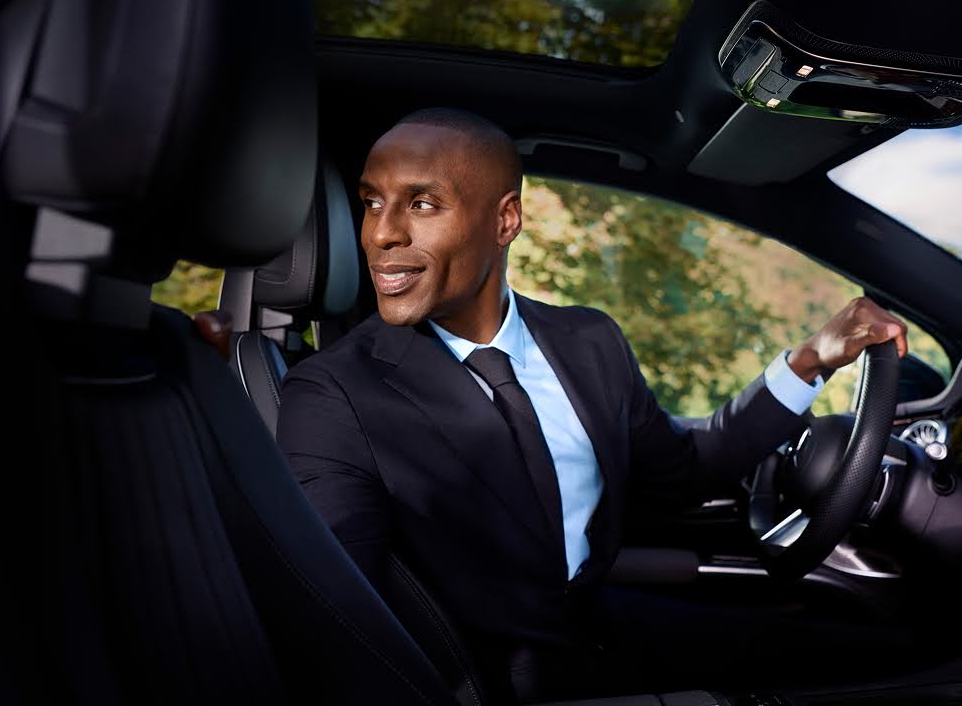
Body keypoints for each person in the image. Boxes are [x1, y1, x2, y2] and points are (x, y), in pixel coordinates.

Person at [277, 107, 908, 702]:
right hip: (489, 679)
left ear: (505, 221)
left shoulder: (589, 340)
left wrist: (810, 360)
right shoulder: (332, 394)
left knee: (879, 653)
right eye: (372, 202)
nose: (381, 233)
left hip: (599, 618)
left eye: (421, 204)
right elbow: (337, 619)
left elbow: (681, 472)